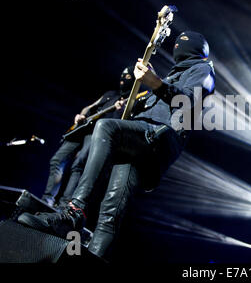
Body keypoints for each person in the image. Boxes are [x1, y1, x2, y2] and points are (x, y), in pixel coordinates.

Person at [19, 31, 215, 260]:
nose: (177, 45)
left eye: (183, 41)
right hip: (141, 140)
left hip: (159, 137)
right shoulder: (174, 74)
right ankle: (94, 255)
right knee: (111, 211)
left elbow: (188, 102)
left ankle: (74, 212)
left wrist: (157, 84)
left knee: (107, 128)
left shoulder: (203, 69)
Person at [41, 67, 135, 208]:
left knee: (78, 165)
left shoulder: (132, 101)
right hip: (81, 129)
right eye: (123, 75)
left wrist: (122, 109)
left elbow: (125, 124)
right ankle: (47, 199)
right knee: (57, 160)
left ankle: (64, 204)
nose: (123, 79)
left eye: (128, 77)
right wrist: (81, 115)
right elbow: (91, 106)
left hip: (97, 134)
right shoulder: (111, 94)